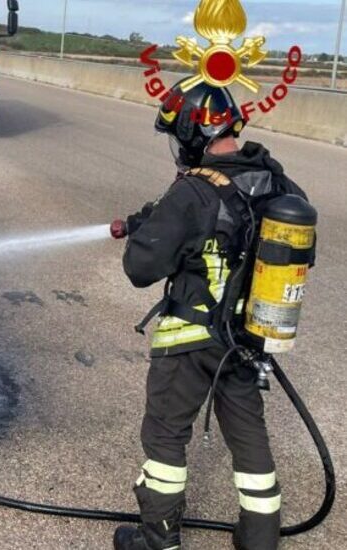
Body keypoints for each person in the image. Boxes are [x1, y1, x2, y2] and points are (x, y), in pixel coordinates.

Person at [111, 80, 313, 550]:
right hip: (246, 339)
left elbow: (140, 268)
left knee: (164, 435)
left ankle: (159, 538)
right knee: (248, 434)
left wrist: (162, 233)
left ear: (192, 132)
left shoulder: (192, 192)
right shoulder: (274, 181)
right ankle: (260, 538)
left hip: (190, 341)